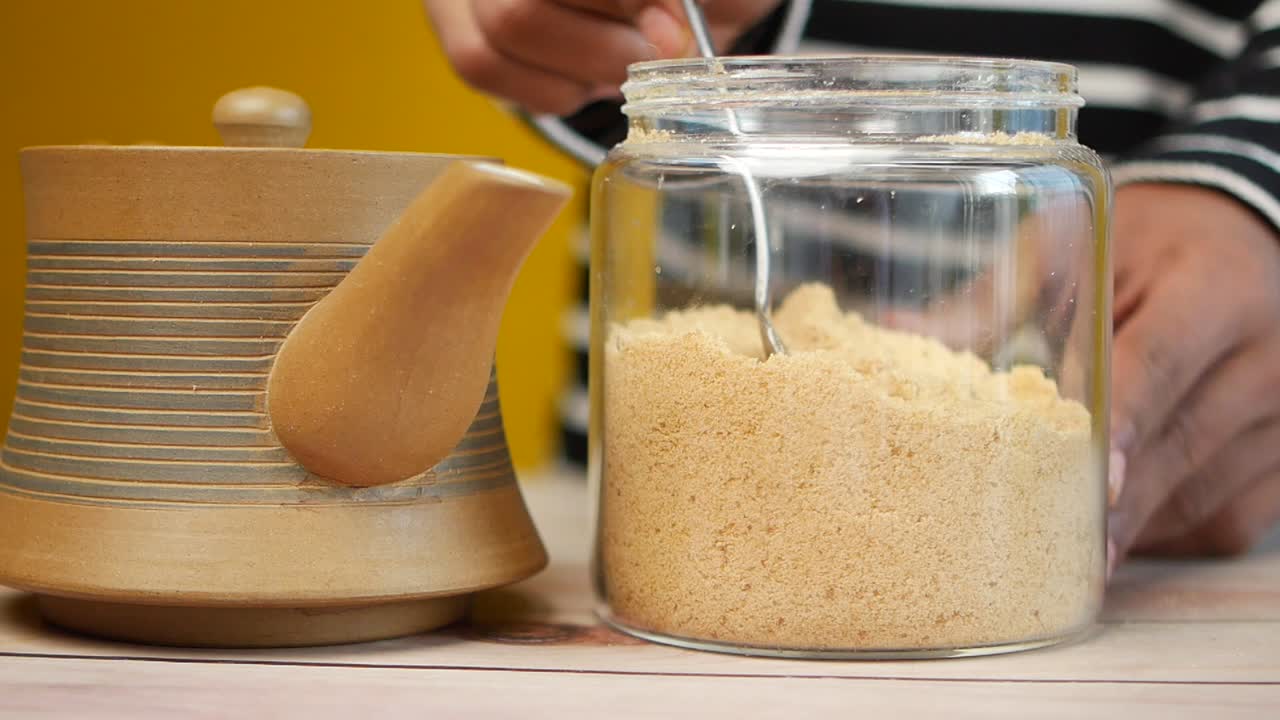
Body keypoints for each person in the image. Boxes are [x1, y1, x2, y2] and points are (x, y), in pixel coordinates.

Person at [422, 0, 1280, 568]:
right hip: (678, 540)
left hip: (1204, 531)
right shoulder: (646, 174)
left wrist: (1247, 177)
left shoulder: (1053, 174)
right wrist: (584, 36)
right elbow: (631, 98)